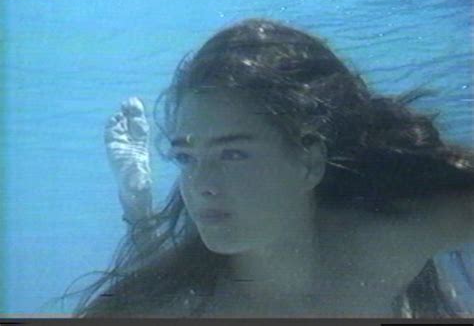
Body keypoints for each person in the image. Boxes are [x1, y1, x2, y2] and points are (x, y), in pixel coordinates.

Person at [71, 18, 474, 318]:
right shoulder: (169, 303)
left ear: (309, 161)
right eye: (185, 158)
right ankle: (138, 204)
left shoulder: (385, 238)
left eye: (233, 154)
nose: (201, 185)